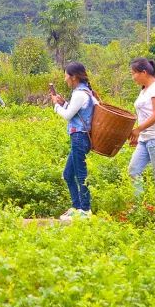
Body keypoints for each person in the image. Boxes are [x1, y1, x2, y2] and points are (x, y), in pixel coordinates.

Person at [50, 62, 98, 221]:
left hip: (79, 137)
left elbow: (68, 115)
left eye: (66, 76)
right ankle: (77, 206)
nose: (65, 79)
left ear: (74, 77)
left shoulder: (79, 94)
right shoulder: (85, 92)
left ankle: (85, 209)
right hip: (80, 137)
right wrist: (63, 103)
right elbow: (77, 111)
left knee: (80, 174)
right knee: (68, 174)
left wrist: (57, 106)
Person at [128, 58, 155, 195]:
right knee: (133, 171)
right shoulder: (144, 90)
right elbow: (144, 114)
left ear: (144, 72)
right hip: (145, 138)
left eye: (133, 73)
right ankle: (139, 207)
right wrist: (138, 134)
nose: (132, 77)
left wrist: (138, 130)